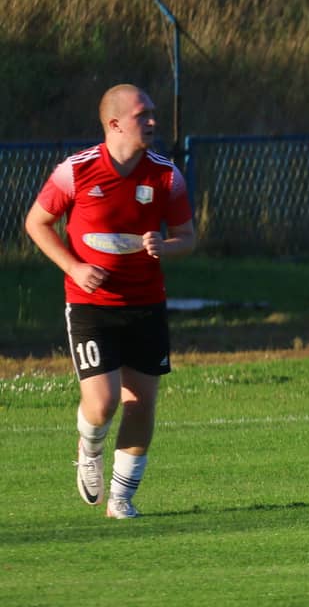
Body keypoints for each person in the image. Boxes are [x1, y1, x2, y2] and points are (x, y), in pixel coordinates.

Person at [24, 83, 196, 519]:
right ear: (115, 124)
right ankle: (89, 446)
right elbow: (37, 223)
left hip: (147, 305)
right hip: (90, 305)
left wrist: (166, 245)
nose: (153, 120)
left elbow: (188, 237)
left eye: (153, 112)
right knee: (103, 403)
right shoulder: (75, 171)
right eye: (143, 115)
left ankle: (121, 499)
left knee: (141, 403)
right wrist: (75, 268)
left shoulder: (167, 176)